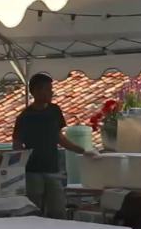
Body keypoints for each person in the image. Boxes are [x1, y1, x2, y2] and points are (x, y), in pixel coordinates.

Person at [12, 73, 96, 219]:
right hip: (32, 172)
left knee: (58, 210)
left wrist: (83, 151)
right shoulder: (25, 116)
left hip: (53, 169)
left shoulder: (54, 111)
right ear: (36, 91)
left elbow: (60, 138)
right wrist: (17, 165)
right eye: (48, 89)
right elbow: (17, 143)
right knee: (34, 211)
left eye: (51, 89)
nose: (51, 92)